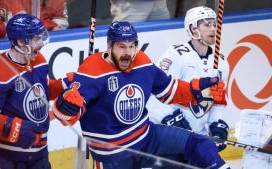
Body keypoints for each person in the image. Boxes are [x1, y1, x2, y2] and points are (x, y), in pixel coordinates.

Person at [52, 21, 229, 169]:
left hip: (146, 136)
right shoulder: (92, 70)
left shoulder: (142, 62)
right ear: (109, 46)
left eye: (131, 46)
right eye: (121, 46)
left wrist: (196, 89)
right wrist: (66, 107)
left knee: (200, 145)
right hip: (112, 153)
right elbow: (69, 114)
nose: (127, 52)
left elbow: (169, 90)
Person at [0, 13, 66, 169]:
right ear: (21, 42)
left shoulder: (39, 61)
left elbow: (42, 92)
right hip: (4, 155)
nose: (41, 44)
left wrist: (65, 86)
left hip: (39, 150)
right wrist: (15, 128)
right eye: (36, 39)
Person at [148, 6, 230, 152]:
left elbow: (217, 102)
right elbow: (154, 93)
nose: (213, 29)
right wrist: (169, 117)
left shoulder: (222, 64)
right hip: (166, 136)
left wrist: (217, 125)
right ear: (193, 29)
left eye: (214, 24)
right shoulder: (176, 55)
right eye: (206, 24)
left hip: (197, 138)